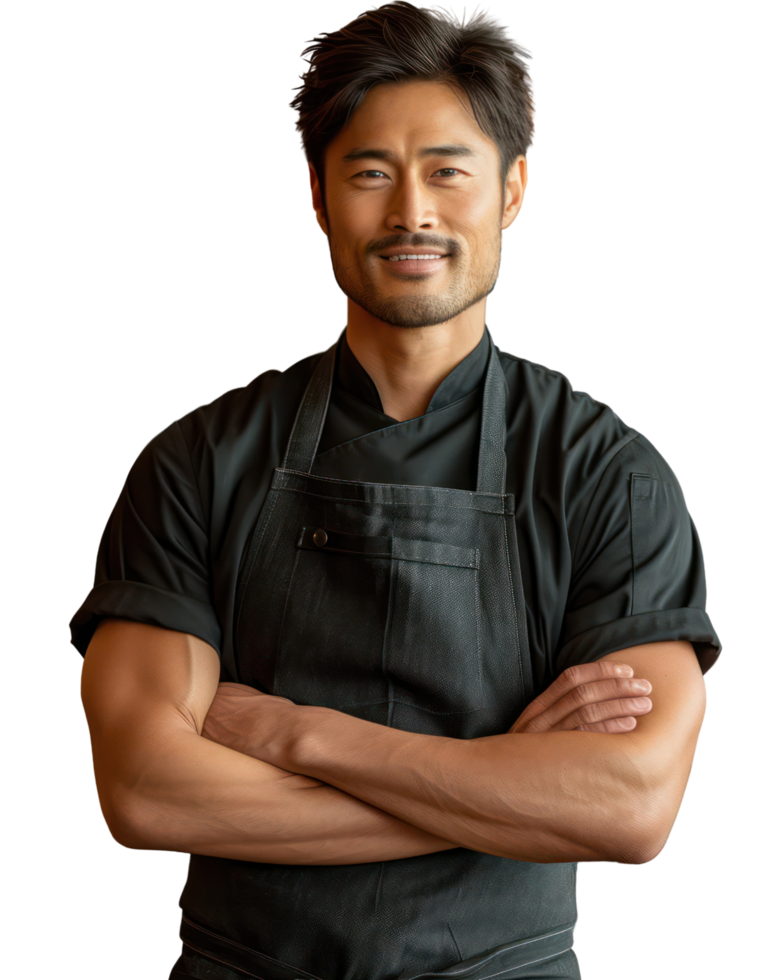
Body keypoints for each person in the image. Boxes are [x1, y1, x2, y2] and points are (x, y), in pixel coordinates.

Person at [71, 4, 721, 979]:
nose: (411, 211)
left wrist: (297, 731)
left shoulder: (609, 473)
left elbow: (627, 810)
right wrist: (501, 782)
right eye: (370, 172)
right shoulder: (195, 457)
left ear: (513, 189)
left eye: (448, 172)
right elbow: (144, 793)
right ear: (318, 199)